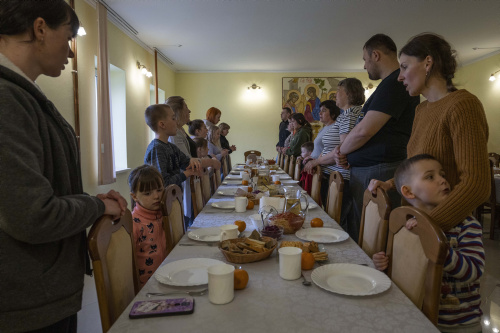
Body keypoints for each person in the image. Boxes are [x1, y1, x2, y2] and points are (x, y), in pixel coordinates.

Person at [0, 1, 127, 332]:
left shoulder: (22, 94)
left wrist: (92, 203)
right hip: (26, 300)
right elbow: (32, 216)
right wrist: (96, 204)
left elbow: (45, 190)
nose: (71, 53)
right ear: (40, 28)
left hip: (40, 292)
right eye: (69, 37)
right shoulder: (7, 98)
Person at [368, 33, 489, 233]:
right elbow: (418, 166)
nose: (399, 76)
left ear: (428, 63)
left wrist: (429, 225)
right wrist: (391, 183)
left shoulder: (463, 105)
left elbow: (476, 184)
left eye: (405, 67)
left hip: (446, 231)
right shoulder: (421, 110)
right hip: (416, 221)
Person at [372, 154, 484, 333]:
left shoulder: (466, 225)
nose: (443, 181)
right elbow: (405, 270)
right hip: (416, 318)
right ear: (409, 192)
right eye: (430, 177)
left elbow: (474, 271)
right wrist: (383, 263)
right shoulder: (405, 224)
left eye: (443, 175)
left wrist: (435, 244)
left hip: (457, 325)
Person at [334, 34, 420, 242]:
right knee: (361, 233)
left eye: (365, 59)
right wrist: (343, 150)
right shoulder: (387, 85)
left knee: (371, 238)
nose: (364, 66)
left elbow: (365, 130)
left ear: (376, 55)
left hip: (379, 169)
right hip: (371, 169)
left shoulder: (394, 84)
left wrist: (341, 151)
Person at [304, 78, 365, 237]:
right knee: (338, 219)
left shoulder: (350, 114)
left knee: (342, 222)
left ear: (349, 93)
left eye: (338, 91)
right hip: (333, 175)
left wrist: (321, 159)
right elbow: (341, 147)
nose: (335, 95)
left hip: (341, 177)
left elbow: (344, 147)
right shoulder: (346, 115)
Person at [128, 165, 167, 287]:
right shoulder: (134, 224)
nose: (156, 196)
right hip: (147, 285)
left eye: (159, 190)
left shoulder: (166, 214)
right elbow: (127, 264)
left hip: (169, 274)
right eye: (148, 193)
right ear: (134, 197)